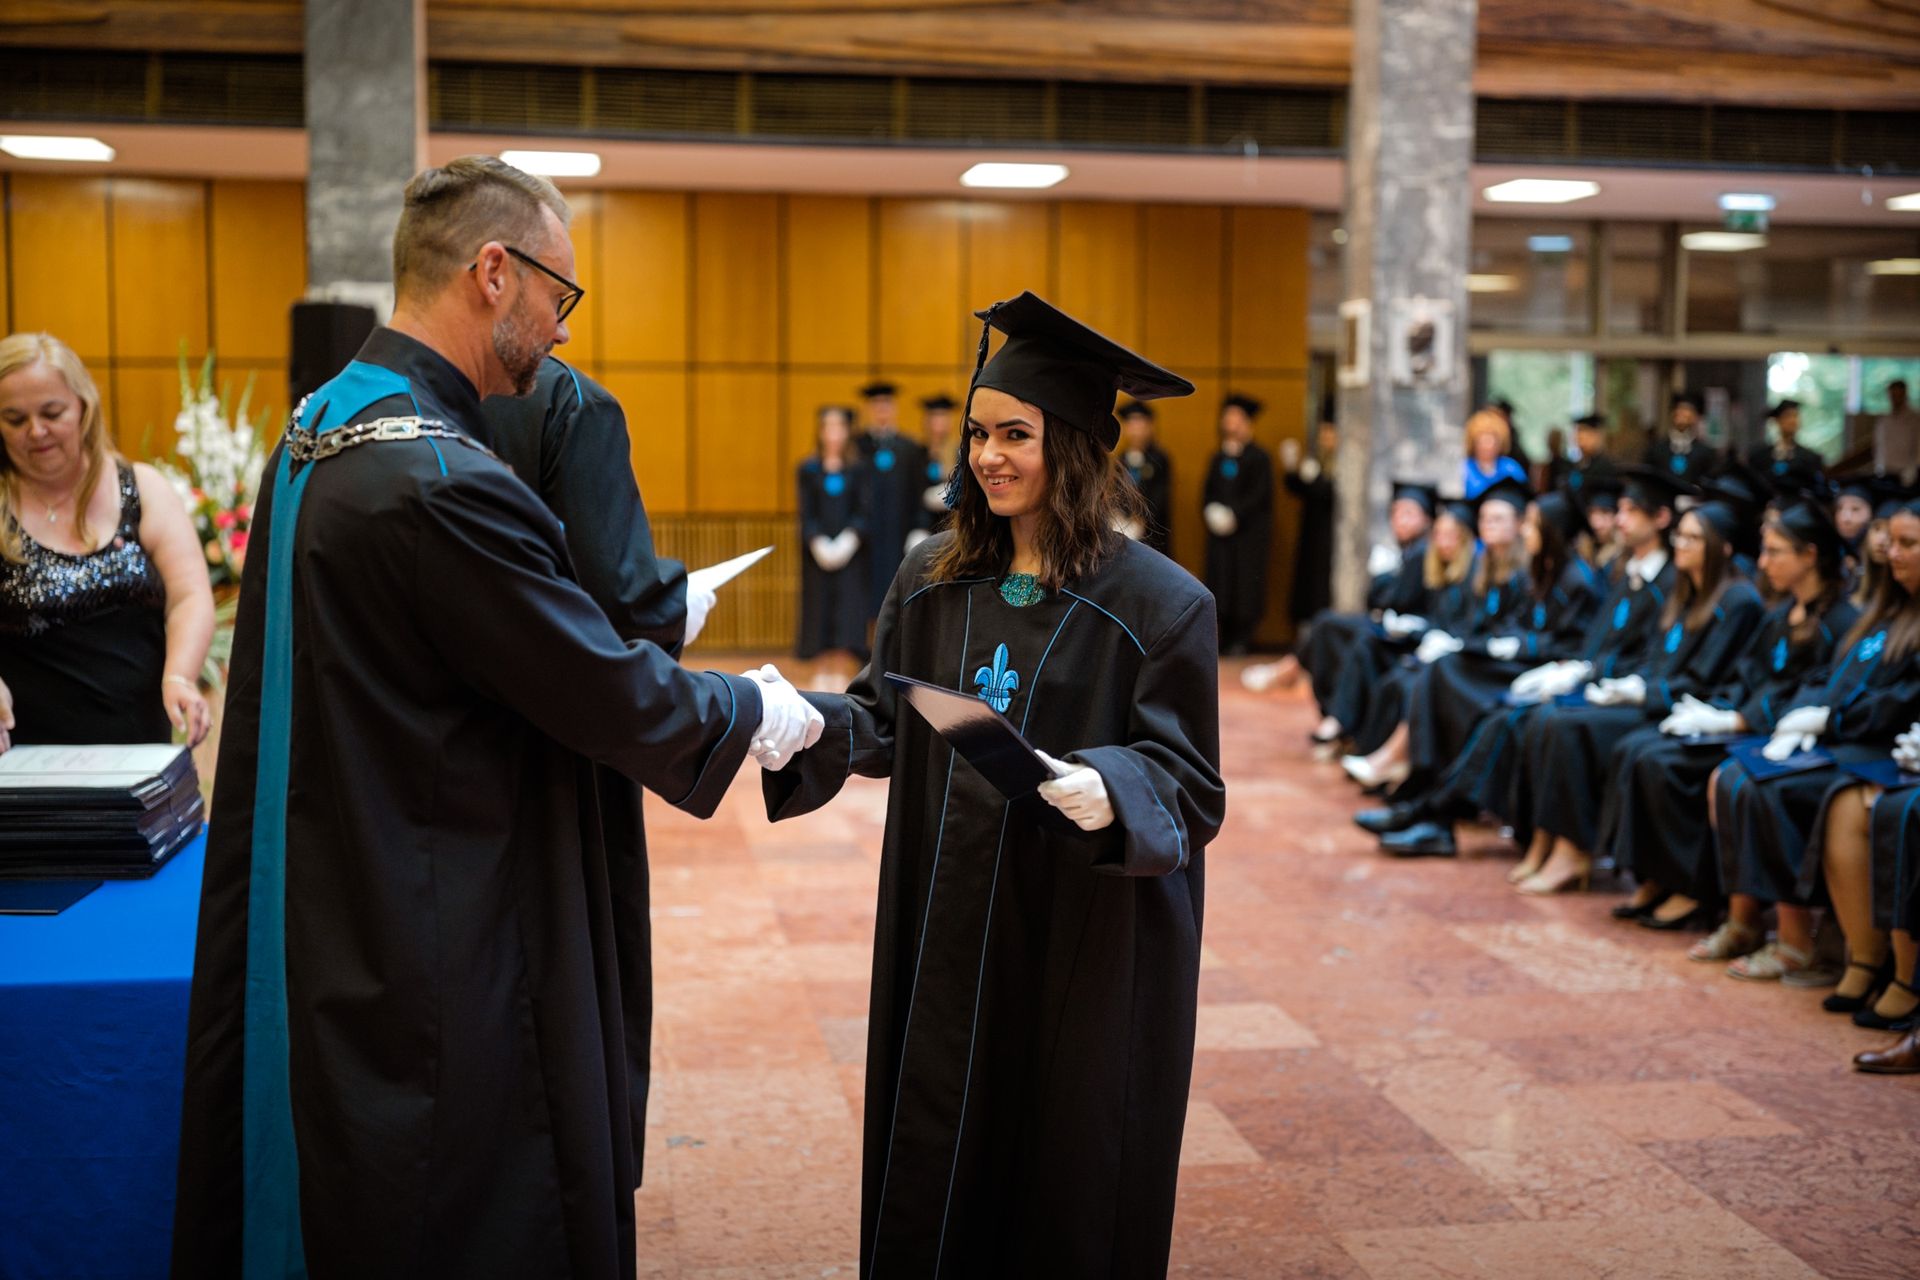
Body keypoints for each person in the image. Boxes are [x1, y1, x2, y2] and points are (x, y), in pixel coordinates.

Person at [170, 156, 823, 1280]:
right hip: (432, 895)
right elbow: (605, 686)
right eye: (559, 293)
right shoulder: (440, 479)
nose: (562, 328)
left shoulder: (320, 428)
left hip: (337, 859)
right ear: (492, 272)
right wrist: (762, 707)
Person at [762, 291, 1224, 1279]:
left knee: (1063, 1156)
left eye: (1016, 434)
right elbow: (883, 715)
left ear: (1076, 448)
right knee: (940, 1156)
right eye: (978, 432)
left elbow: (1189, 783)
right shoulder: (932, 577)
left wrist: (1108, 783)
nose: (988, 456)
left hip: (1074, 927)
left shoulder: (1161, 603)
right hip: (948, 908)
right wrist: (795, 720)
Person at [471, 354, 717, 1196]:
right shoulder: (571, 403)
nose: (564, 327)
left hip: (445, 764)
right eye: (559, 297)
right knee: (571, 977)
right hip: (562, 753)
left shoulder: (352, 415)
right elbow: (623, 600)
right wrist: (677, 608)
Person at [1372, 465, 1684, 861]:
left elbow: (1632, 653)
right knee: (1468, 691)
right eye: (1619, 509)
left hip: (1609, 687)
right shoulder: (1625, 575)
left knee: (1512, 717)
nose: (1620, 520)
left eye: (1631, 511)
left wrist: (1583, 670)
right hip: (1574, 674)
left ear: (1660, 518)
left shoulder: (1649, 583)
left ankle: (1436, 812)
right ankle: (1430, 806)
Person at [1609, 500, 1856, 938]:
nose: (1763, 562)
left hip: (1793, 736)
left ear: (1809, 555)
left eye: (1774, 551)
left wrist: (1741, 720)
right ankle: (1663, 878)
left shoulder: (1841, 621)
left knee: (1678, 766)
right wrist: (1722, 711)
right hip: (1753, 724)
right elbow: (1747, 675)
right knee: (1643, 748)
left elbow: (1817, 689)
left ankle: (1701, 891)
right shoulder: (1781, 614)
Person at [1510, 500, 1766, 895]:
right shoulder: (1686, 592)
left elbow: (1704, 680)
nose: (1681, 544)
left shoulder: (1738, 602)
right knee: (1550, 713)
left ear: (1723, 547)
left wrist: (1643, 693)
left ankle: (1573, 850)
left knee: (1568, 726)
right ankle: (1546, 839)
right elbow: (1654, 658)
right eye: (1680, 536)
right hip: (1653, 697)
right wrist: (1627, 685)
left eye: (1694, 538)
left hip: (1680, 708)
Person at [1712, 499, 1920, 983]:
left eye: (1907, 543)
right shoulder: (1883, 614)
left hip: (1874, 746)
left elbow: (1897, 701)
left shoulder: (1851, 615)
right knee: (1734, 774)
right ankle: (1757, 925)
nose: (1891, 552)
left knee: (1772, 789)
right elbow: (1824, 679)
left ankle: (1811, 943)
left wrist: (1829, 719)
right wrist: (1801, 714)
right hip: (1842, 736)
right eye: (1891, 541)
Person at [0, 331, 213, 752]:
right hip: (25, 760)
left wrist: (180, 676)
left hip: (139, 752)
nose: (36, 431)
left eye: (52, 412)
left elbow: (188, 595)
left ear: (84, 406)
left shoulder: (142, 488)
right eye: (15, 419)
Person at [797, 404, 870, 686]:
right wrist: (817, 541)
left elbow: (864, 510)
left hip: (850, 555)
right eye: (828, 427)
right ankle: (819, 680)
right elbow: (806, 513)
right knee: (819, 615)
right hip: (818, 556)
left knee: (847, 616)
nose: (834, 433)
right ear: (820, 431)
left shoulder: (858, 469)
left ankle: (842, 680)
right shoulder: (809, 469)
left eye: (839, 427)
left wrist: (848, 540)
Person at [1202, 393, 1274, 654]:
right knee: (1220, 581)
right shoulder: (1218, 457)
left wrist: (1235, 514)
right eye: (1228, 418)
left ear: (1247, 423)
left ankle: (1243, 638)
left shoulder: (1259, 457)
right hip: (1221, 537)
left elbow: (1260, 494)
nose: (1231, 424)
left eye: (1236, 419)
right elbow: (1208, 491)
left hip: (1247, 536)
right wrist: (1212, 511)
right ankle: (1222, 635)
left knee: (1245, 585)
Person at [855, 380, 930, 621]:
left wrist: (919, 528)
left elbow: (919, 493)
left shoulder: (909, 449)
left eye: (886, 404)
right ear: (869, 409)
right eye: (876, 404)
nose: (881, 410)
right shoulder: (857, 447)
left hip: (899, 535)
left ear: (894, 408)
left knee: (897, 592)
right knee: (863, 596)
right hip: (866, 538)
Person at [1283, 414, 1338, 627]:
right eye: (1322, 433)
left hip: (1330, 533)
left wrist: (1316, 480)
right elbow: (1303, 491)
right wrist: (1291, 470)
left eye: (1328, 433)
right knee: (1307, 579)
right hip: (1311, 530)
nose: (1324, 438)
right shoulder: (1318, 460)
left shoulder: (1343, 463)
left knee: (1321, 582)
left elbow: (1330, 494)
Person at [1118, 400, 1173, 554]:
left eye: (1139, 423)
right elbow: (1117, 492)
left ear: (1149, 426)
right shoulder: (1121, 459)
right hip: (1125, 532)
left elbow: (1160, 496)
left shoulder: (1159, 459)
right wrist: (1122, 519)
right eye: (1131, 423)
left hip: (1153, 533)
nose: (1135, 429)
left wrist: (1141, 520)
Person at [912, 392, 959, 546]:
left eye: (943, 417)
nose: (939, 423)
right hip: (924, 526)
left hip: (951, 526)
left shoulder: (958, 453)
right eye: (935, 417)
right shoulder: (918, 454)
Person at [1747, 398, 1824, 492]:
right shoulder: (1759, 456)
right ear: (1777, 420)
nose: (1793, 421)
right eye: (1788, 416)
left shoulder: (1810, 458)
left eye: (1795, 416)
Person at [1644, 390, 1722, 483]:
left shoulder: (1705, 453)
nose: (1681, 413)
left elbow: (1711, 481)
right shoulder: (1657, 449)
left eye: (1687, 410)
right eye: (1679, 408)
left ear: (1696, 417)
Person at [1462, 408, 1528, 499]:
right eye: (1482, 442)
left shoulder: (1511, 467)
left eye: (1491, 442)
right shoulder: (1464, 468)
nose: (1487, 447)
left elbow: (1524, 495)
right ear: (1473, 443)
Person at [1564, 412, 1619, 499]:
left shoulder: (1606, 465)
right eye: (1578, 437)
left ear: (1595, 436)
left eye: (1582, 437)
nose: (1578, 441)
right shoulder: (1579, 464)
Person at [1874, 379, 1920, 480]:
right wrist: (1879, 467)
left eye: (1898, 395)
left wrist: (1912, 470)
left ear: (1904, 395)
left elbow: (1917, 448)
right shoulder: (1884, 420)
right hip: (1885, 472)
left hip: (1906, 474)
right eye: (1892, 396)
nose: (1895, 399)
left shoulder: (1915, 419)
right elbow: (1880, 446)